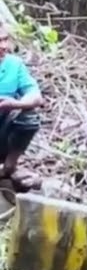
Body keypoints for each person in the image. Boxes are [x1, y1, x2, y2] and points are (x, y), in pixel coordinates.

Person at [0, 23, 45, 190]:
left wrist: (15, 104)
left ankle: (9, 165)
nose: (3, 46)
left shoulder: (14, 65)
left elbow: (36, 96)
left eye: (5, 40)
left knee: (29, 115)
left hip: (2, 128)